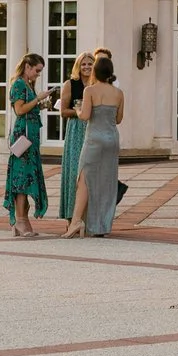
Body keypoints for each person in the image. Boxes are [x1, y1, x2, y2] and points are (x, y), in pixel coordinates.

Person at [71, 50, 123, 237]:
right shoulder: (118, 93)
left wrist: (77, 110)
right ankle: (102, 226)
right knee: (107, 183)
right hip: (112, 139)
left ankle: (76, 222)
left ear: (95, 72)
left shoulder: (89, 90)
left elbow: (85, 116)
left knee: (84, 179)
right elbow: (118, 119)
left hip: (94, 139)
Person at [3, 53, 50, 233]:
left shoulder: (28, 85)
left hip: (30, 136)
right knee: (22, 177)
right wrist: (38, 99)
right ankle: (20, 220)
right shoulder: (19, 84)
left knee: (29, 175)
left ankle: (23, 220)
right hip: (23, 136)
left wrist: (41, 105)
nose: (38, 74)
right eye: (37, 71)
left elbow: (29, 107)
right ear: (27, 67)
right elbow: (20, 109)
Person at [58, 53, 93, 223]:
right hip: (76, 129)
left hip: (93, 129)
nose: (87, 67)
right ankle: (72, 217)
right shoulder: (70, 84)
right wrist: (80, 112)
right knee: (74, 171)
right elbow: (63, 111)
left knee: (91, 173)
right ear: (78, 66)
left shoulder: (97, 85)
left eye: (90, 64)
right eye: (83, 64)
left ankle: (90, 217)